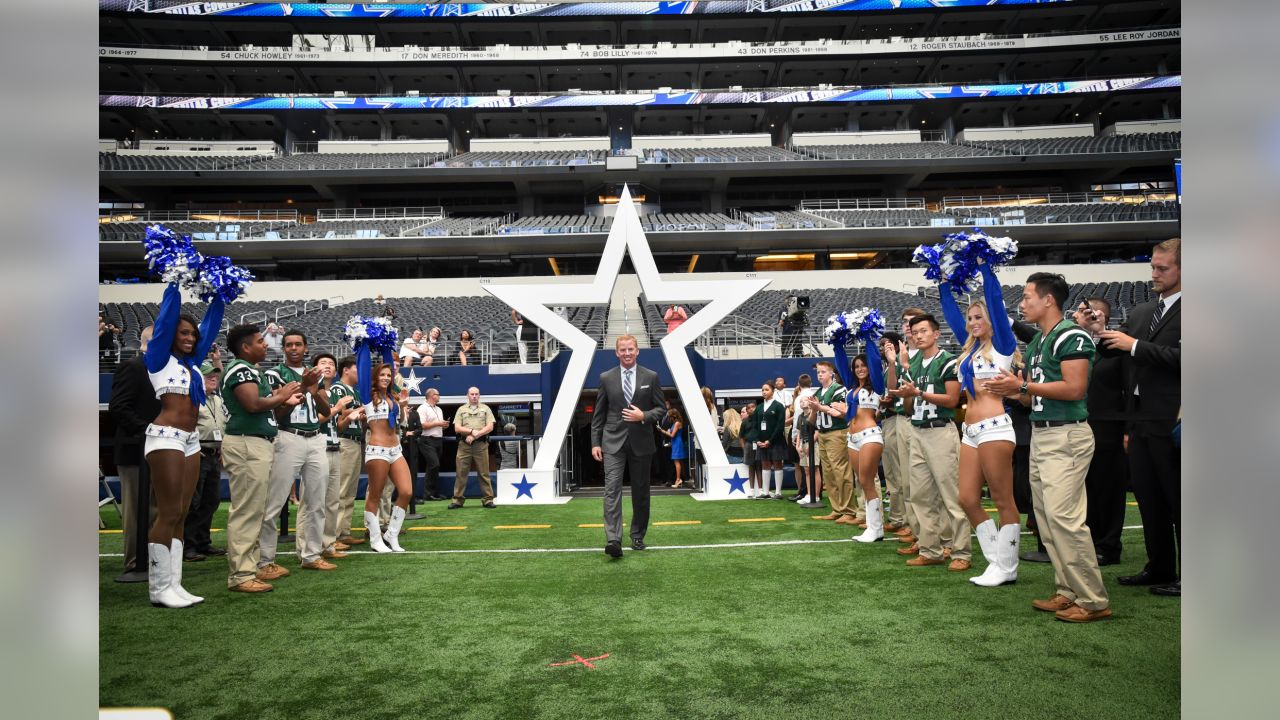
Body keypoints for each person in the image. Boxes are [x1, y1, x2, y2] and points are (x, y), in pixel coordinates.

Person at [985, 272, 1111, 622]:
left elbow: (1074, 388)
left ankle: (1092, 599)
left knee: (1065, 519)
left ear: (1048, 300)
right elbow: (1034, 398)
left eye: (1027, 297)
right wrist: (1013, 391)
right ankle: (1067, 589)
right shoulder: (1041, 340)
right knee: (1046, 519)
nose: (1022, 304)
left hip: (1066, 435)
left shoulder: (1070, 335)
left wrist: (1022, 384)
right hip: (1045, 432)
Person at [1085, 238, 1182, 596]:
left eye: (1162, 268)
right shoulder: (1142, 312)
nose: (1154, 273)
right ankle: (1159, 566)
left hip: (1175, 417)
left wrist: (1136, 346)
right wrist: (1100, 333)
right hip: (1139, 418)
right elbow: (1117, 357)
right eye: (1153, 267)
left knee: (1181, 498)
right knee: (1148, 496)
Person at [936, 261, 1022, 586]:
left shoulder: (1003, 346)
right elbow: (951, 314)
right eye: (970, 317)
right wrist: (944, 282)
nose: (972, 322)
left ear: (991, 321)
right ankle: (996, 562)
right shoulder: (968, 351)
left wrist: (986, 269)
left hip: (996, 429)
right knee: (968, 499)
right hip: (970, 432)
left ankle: (1008, 566)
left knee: (1003, 501)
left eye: (979, 317)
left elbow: (995, 301)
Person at [141, 281, 225, 608]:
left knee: (181, 513)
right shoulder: (159, 357)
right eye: (183, 333)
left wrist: (220, 296)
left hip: (191, 440)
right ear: (170, 336)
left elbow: (211, 325)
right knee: (168, 512)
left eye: (192, 334)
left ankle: (173, 584)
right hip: (165, 438)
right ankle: (158, 588)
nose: (190, 338)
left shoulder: (192, 364)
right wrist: (174, 284)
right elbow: (166, 319)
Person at [221, 324, 302, 594]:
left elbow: (265, 413)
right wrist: (281, 395)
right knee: (247, 510)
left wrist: (282, 403)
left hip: (258, 442)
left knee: (256, 509)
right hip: (247, 444)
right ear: (245, 347)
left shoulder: (251, 370)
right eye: (259, 341)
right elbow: (252, 405)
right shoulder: (241, 369)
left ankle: (252, 566)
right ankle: (241, 574)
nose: (266, 344)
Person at [894, 313, 971, 571]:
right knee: (920, 496)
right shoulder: (913, 364)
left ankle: (961, 551)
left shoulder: (948, 361)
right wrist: (907, 395)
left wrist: (918, 392)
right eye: (915, 332)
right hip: (917, 430)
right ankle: (931, 549)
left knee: (951, 495)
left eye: (923, 331)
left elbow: (952, 400)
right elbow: (908, 406)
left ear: (936, 334)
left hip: (940, 431)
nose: (918, 335)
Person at [259, 331, 334, 575]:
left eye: (298, 344)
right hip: (287, 436)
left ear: (305, 347)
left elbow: (325, 410)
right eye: (289, 345)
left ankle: (311, 554)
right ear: (283, 348)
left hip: (315, 438)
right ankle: (265, 560)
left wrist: (313, 389)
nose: (293, 348)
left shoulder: (313, 373)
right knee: (275, 502)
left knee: (317, 501)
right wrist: (303, 386)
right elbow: (276, 413)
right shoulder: (275, 373)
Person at [590, 335, 667, 557]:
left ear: (637, 351)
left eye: (630, 349)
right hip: (612, 442)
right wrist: (595, 442)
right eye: (622, 350)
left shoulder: (651, 377)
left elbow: (661, 409)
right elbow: (599, 414)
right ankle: (613, 539)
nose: (627, 353)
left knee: (641, 492)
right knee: (611, 489)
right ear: (616, 352)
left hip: (642, 443)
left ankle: (637, 535)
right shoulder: (606, 377)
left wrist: (643, 415)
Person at [1072, 297, 1128, 567]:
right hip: (1080, 426)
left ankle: (1109, 545)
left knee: (1108, 489)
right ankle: (1089, 543)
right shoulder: (1071, 345)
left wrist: (1100, 330)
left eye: (1083, 312)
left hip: (1108, 426)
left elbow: (1128, 386)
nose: (1077, 315)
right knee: (1087, 489)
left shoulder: (1113, 343)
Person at [109, 324, 159, 582]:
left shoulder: (158, 369)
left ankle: (150, 558)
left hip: (154, 449)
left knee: (153, 510)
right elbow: (119, 407)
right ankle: (134, 561)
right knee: (135, 510)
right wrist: (149, 429)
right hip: (135, 449)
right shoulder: (134, 367)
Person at [355, 359, 414, 553]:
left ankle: (391, 534)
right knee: (375, 495)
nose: (386, 378)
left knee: (406, 492)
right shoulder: (367, 396)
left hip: (395, 449)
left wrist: (403, 406)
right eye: (382, 374)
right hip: (377, 450)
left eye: (389, 375)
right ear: (375, 376)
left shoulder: (394, 397)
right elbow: (363, 368)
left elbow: (401, 422)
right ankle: (375, 539)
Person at [309, 352, 352, 560]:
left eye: (331, 363)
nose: (327, 366)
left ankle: (328, 544)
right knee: (314, 503)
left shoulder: (332, 393)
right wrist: (338, 409)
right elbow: (314, 420)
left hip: (334, 445)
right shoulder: (312, 390)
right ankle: (307, 550)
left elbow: (337, 425)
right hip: (318, 447)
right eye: (322, 363)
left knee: (332, 502)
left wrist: (349, 416)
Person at [184, 358, 227, 562]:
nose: (213, 377)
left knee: (211, 500)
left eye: (214, 374)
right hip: (197, 453)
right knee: (194, 501)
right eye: (208, 373)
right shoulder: (191, 397)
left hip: (213, 454)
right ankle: (188, 546)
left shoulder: (216, 399)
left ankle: (203, 542)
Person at [803, 361, 856, 526]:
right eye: (818, 372)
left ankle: (849, 510)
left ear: (832, 373)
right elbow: (812, 421)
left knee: (841, 472)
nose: (820, 375)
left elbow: (843, 414)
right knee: (829, 474)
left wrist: (820, 407)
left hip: (837, 433)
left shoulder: (839, 389)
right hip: (823, 434)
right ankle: (837, 508)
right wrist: (813, 409)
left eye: (823, 371)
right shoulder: (818, 392)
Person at [846, 352, 888, 543]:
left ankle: (876, 528)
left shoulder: (877, 386)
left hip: (870, 435)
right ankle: (873, 527)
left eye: (864, 365)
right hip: (852, 438)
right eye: (857, 366)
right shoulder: (852, 388)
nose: (860, 369)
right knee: (862, 482)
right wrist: (837, 343)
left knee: (867, 480)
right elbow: (840, 360)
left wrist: (868, 336)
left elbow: (874, 361)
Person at [327, 356, 366, 547]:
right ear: (346, 370)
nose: (360, 372)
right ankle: (333, 535)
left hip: (355, 441)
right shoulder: (337, 389)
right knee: (341, 489)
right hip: (345, 441)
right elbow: (337, 417)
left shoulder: (355, 391)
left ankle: (344, 531)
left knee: (349, 490)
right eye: (356, 369)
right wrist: (353, 414)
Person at [876, 332, 907, 533]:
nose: (882, 348)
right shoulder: (887, 368)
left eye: (887, 344)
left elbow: (899, 392)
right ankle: (897, 517)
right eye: (881, 345)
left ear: (897, 346)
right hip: (887, 420)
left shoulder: (902, 365)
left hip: (898, 417)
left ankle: (905, 519)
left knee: (900, 471)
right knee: (891, 473)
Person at [449, 386, 497, 509]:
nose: (474, 396)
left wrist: (475, 436)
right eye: (472, 394)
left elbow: (490, 427)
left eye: (476, 394)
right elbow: (457, 428)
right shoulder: (461, 409)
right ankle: (457, 500)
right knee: (461, 473)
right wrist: (471, 431)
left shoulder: (485, 408)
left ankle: (488, 499)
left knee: (484, 473)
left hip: (481, 446)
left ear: (479, 395)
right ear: (468, 395)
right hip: (464, 446)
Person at [752, 382, 788, 499]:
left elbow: (780, 426)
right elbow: (755, 425)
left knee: (777, 463)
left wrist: (770, 441)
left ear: (772, 391)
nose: (764, 392)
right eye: (762, 390)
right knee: (765, 464)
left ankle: (778, 492)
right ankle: (765, 492)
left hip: (776, 441)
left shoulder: (779, 406)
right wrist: (757, 440)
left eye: (766, 390)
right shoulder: (759, 407)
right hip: (761, 442)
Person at [790, 373, 820, 503]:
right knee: (807, 469)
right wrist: (798, 444)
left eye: (805, 400)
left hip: (812, 443)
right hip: (803, 443)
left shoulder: (813, 412)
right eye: (801, 400)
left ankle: (816, 495)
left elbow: (818, 429)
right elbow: (800, 429)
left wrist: (810, 443)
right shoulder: (801, 415)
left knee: (815, 468)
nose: (802, 401)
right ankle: (809, 494)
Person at [417, 388, 449, 500]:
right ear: (431, 395)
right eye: (437, 394)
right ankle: (428, 494)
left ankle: (434, 492)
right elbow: (422, 425)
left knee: (434, 466)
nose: (439, 396)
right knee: (434, 464)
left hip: (438, 439)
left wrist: (443, 425)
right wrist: (438, 423)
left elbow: (437, 424)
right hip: (427, 439)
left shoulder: (439, 409)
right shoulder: (422, 408)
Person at [660, 408, 687, 488]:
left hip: (677, 443)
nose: (669, 418)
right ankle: (678, 479)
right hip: (675, 443)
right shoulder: (675, 423)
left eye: (670, 416)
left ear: (673, 416)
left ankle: (678, 479)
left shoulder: (677, 423)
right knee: (676, 462)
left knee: (677, 462)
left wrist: (663, 431)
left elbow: (672, 435)